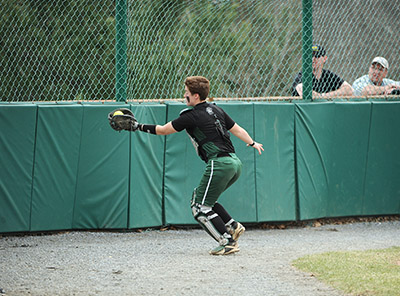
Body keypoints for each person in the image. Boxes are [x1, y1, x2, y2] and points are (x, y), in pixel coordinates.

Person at [130, 76, 263, 255]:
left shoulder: (190, 116)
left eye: (187, 93)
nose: (184, 96)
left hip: (220, 163)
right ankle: (233, 226)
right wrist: (252, 143)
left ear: (196, 96)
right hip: (234, 162)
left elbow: (162, 130)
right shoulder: (216, 109)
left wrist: (137, 126)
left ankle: (227, 241)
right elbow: (237, 130)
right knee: (206, 199)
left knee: (199, 206)